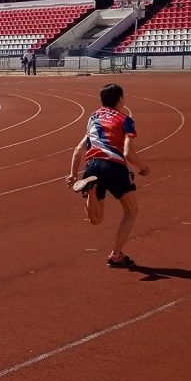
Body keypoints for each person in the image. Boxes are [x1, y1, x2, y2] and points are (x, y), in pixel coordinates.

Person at [65, 83, 150, 268]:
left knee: (95, 220)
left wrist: (73, 175)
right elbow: (127, 153)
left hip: (91, 166)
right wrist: (143, 167)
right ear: (120, 99)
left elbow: (78, 149)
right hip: (114, 165)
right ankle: (116, 255)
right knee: (131, 211)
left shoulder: (93, 117)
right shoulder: (125, 120)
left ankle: (92, 190)